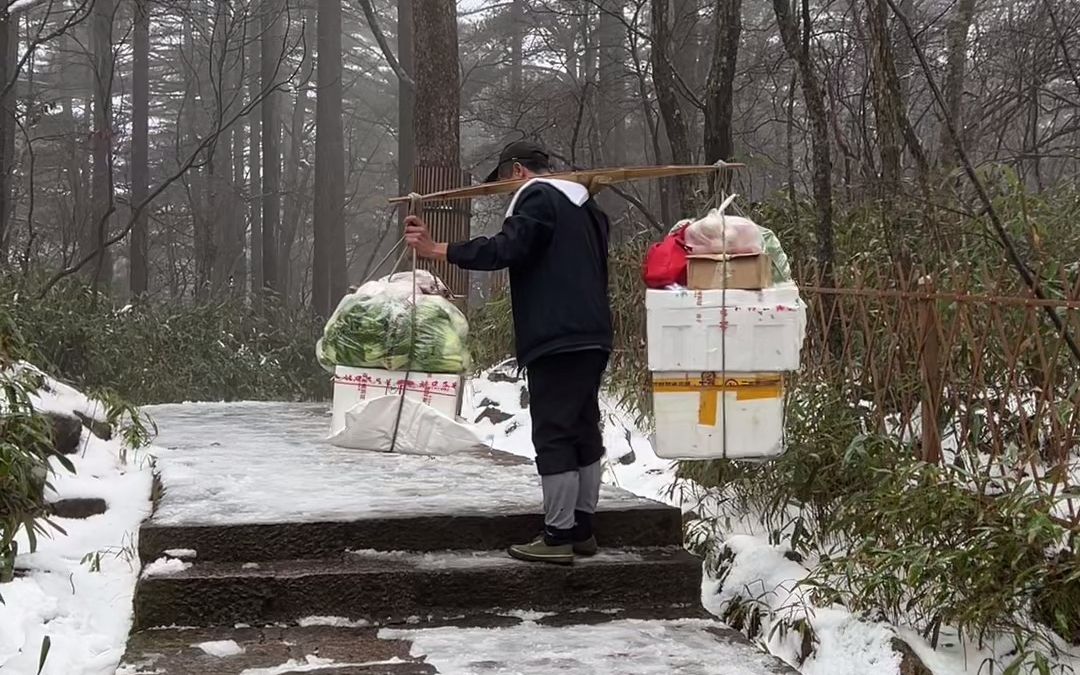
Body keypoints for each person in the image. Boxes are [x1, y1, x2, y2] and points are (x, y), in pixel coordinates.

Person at [404, 140, 613, 566]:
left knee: (554, 431)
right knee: (582, 427)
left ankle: (558, 536)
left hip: (556, 334)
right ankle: (582, 529)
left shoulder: (537, 195)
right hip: (593, 332)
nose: (503, 192)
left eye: (502, 181)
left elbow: (508, 247)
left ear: (516, 170)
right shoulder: (587, 208)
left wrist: (438, 250)